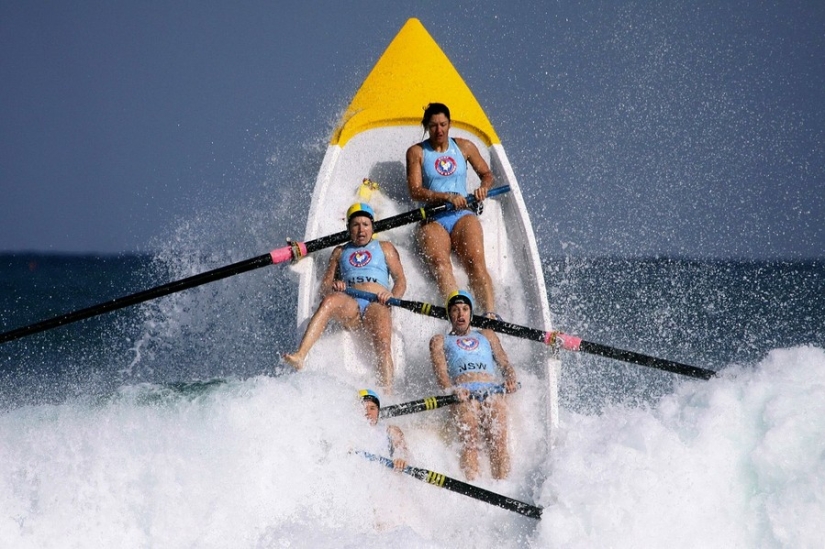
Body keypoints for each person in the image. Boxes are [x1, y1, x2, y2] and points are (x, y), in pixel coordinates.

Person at [283, 203, 407, 391]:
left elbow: (401, 281)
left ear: (372, 226)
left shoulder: (385, 248)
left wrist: (391, 296)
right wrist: (335, 286)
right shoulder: (340, 252)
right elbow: (325, 289)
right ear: (349, 228)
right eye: (356, 225)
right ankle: (300, 356)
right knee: (329, 301)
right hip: (351, 307)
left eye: (365, 224)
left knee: (383, 344)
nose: (361, 229)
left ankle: (387, 393)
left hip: (377, 304)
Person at [406, 102, 498, 317]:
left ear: (450, 124)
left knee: (475, 261)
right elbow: (415, 191)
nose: (439, 130)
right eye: (434, 126)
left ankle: (490, 314)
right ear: (427, 127)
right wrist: (446, 196)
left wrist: (483, 188)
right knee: (440, 264)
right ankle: (457, 315)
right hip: (432, 218)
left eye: (443, 124)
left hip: (462, 215)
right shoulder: (416, 152)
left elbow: (487, 174)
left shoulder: (465, 147)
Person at [429, 290, 518, 481]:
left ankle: (503, 485)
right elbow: (441, 373)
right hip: (463, 395)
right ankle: (472, 484)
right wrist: (452, 390)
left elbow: (505, 364)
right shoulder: (439, 340)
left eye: (465, 309)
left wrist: (510, 379)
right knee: (470, 443)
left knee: (499, 443)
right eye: (455, 310)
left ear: (471, 312)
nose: (461, 314)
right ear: (449, 314)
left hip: (491, 391)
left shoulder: (487, 335)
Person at [359, 388, 408, 472]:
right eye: (364, 407)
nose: (368, 412)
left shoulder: (391, 430)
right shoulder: (350, 431)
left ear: (378, 411)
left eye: (372, 408)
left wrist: (400, 459)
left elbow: (404, 453)